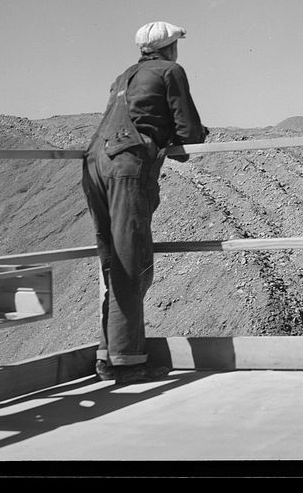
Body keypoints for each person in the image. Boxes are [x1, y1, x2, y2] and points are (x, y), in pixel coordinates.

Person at [82, 21, 209, 384]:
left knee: (112, 261)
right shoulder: (171, 70)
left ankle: (108, 357)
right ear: (170, 47)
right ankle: (129, 363)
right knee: (130, 260)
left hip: (95, 163)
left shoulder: (125, 75)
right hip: (126, 165)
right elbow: (188, 131)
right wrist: (194, 139)